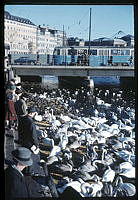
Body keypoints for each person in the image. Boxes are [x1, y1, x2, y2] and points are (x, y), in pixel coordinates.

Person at [17, 106, 42, 175]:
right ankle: (28, 171)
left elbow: (19, 129)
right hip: (29, 143)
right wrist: (36, 145)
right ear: (32, 113)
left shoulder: (23, 118)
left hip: (23, 140)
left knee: (24, 155)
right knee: (30, 157)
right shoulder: (31, 122)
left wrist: (20, 138)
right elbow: (33, 135)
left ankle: (23, 169)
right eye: (34, 113)